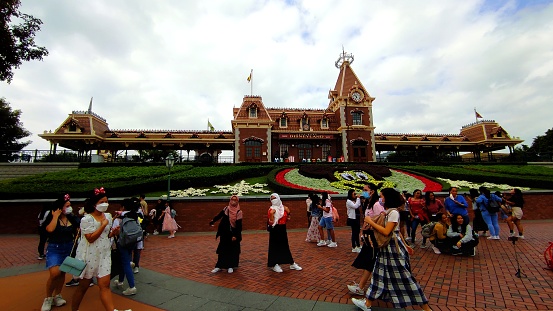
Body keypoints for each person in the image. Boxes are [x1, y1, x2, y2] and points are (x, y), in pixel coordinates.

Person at [352, 188, 432, 311]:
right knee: (378, 276)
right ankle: (367, 303)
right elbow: (397, 232)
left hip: (392, 249)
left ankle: (426, 307)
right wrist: (406, 244)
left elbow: (387, 231)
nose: (381, 199)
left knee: (405, 278)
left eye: (382, 197)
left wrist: (370, 221)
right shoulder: (388, 212)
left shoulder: (393, 212)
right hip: (386, 249)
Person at [71, 187, 131, 311]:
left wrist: (113, 233)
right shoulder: (86, 219)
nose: (105, 204)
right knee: (83, 286)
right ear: (94, 204)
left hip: (104, 253)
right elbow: (90, 238)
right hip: (89, 256)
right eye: (101, 202)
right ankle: (74, 309)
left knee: (105, 285)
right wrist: (102, 225)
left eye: (106, 201)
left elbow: (105, 235)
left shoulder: (108, 217)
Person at [40, 194, 78, 311]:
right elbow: (49, 230)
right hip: (55, 248)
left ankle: (58, 295)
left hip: (69, 247)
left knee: (62, 273)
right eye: (67, 206)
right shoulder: (53, 218)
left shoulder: (71, 218)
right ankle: (48, 298)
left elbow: (78, 228)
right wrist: (55, 216)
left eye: (70, 205)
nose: (69, 208)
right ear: (60, 207)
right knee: (55, 273)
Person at [347, 186, 384, 296]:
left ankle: (362, 287)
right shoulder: (369, 203)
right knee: (370, 262)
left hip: (374, 238)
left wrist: (370, 227)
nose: (363, 192)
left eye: (365, 190)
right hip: (369, 237)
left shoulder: (376, 205)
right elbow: (366, 219)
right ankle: (361, 286)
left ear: (372, 191)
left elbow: (381, 221)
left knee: (370, 262)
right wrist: (363, 232)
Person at [267, 193, 302, 273]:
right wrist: (272, 214)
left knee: (284, 246)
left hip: (282, 229)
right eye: (271, 199)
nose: (273, 200)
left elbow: (287, 219)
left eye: (275, 198)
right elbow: (271, 223)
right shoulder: (271, 209)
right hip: (275, 229)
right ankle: (274, 264)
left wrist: (288, 212)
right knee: (274, 246)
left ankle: (291, 263)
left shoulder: (283, 208)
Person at [112, 198, 140, 296]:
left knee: (125, 263)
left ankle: (132, 287)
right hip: (132, 241)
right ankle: (120, 281)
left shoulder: (122, 216)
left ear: (123, 207)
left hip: (123, 242)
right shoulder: (134, 215)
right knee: (125, 261)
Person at [209, 195, 243, 274]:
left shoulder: (239, 212)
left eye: (235, 200)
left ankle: (230, 266)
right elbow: (219, 216)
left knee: (231, 250)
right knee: (222, 250)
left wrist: (236, 235)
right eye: (232, 200)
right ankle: (219, 266)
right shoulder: (226, 209)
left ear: (237, 201)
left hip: (232, 234)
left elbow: (239, 226)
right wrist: (213, 221)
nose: (233, 201)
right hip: (224, 233)